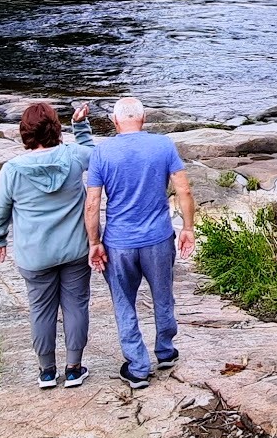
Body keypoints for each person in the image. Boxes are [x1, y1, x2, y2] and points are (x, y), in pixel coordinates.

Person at [84, 97, 196, 390]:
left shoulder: (102, 151)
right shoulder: (163, 145)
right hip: (158, 238)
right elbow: (183, 189)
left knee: (124, 303)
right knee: (163, 294)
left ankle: (137, 367)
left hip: (119, 242)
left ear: (114, 121)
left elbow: (93, 203)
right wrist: (188, 227)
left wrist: (94, 242)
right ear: (144, 119)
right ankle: (166, 351)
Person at [0, 101, 96, 390]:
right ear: (56, 128)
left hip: (34, 255)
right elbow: (97, 158)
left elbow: (0, 209)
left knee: (40, 310)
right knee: (76, 306)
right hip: (75, 249)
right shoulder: (73, 156)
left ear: (25, 132)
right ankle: (74, 369)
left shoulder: (12, 169)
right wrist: (81, 127)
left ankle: (47, 371)